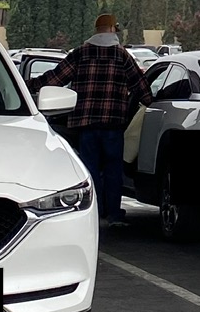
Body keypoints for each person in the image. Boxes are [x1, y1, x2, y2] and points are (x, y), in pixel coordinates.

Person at [33, 14, 151, 227]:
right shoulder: (122, 56)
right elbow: (140, 85)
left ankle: (93, 212)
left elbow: (55, 78)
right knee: (113, 169)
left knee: (89, 168)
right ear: (113, 30)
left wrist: (26, 85)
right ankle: (113, 214)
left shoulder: (80, 53)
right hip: (113, 124)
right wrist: (152, 102)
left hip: (85, 124)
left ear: (96, 30)